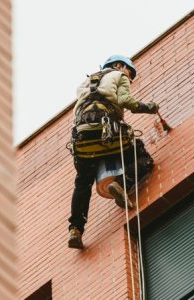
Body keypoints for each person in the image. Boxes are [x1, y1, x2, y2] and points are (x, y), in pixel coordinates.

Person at [67, 55, 158, 249]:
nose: (130, 78)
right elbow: (126, 101)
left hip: (83, 139)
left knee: (83, 182)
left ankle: (76, 229)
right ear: (119, 65)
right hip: (109, 134)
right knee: (143, 158)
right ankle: (120, 183)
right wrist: (149, 107)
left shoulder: (87, 81)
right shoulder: (119, 75)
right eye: (129, 73)